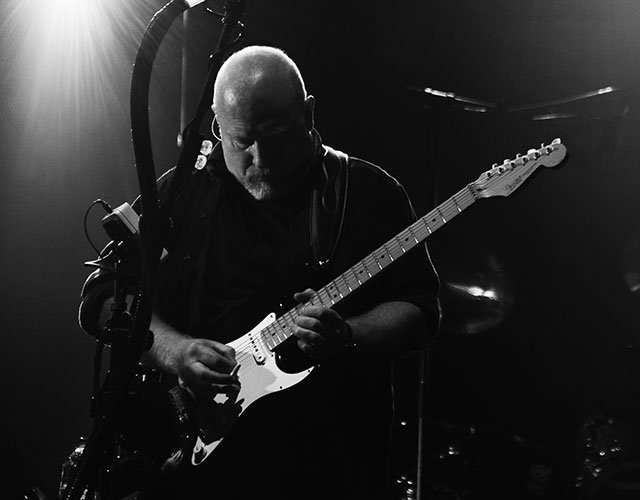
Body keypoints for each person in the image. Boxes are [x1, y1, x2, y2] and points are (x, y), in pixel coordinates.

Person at [79, 45, 441, 499]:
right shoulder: (182, 193)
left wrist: (347, 335)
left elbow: (421, 310)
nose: (260, 157)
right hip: (195, 471)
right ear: (217, 126)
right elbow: (101, 299)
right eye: (242, 141)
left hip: (328, 464)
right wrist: (176, 352)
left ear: (308, 114)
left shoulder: (368, 193)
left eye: (275, 136)